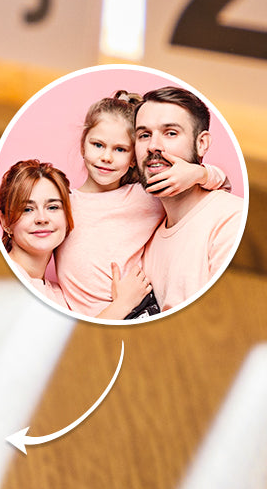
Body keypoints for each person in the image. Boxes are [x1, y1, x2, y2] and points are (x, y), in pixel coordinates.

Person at [53, 90, 229, 319]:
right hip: (94, 322)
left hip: (139, 313)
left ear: (134, 158)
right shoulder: (60, 205)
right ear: (83, 145)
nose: (107, 157)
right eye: (98, 145)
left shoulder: (145, 196)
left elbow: (222, 187)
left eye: (120, 149)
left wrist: (196, 173)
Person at [0, 159, 151, 320]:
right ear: (5, 221)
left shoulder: (58, 295)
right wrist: (123, 304)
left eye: (53, 207)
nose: (42, 218)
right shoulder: (4, 283)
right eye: (27, 209)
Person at [135, 86, 245, 310]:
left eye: (171, 133)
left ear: (201, 143)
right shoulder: (148, 242)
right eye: (144, 135)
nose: (153, 146)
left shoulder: (232, 220)